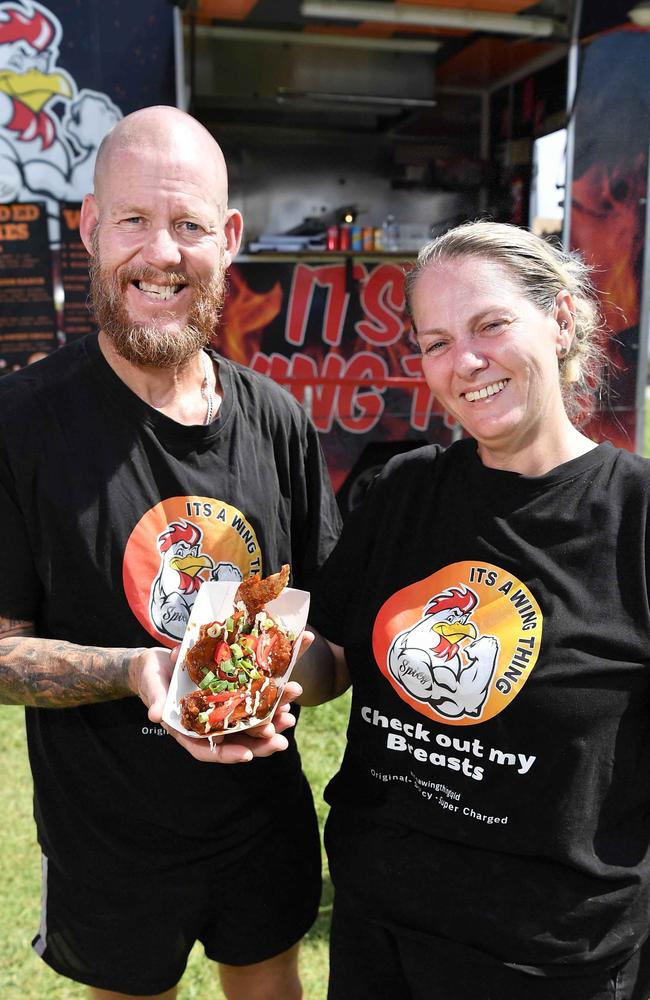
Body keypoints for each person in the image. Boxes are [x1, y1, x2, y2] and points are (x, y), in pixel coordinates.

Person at [0, 105, 341, 1000]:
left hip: (261, 823)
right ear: (88, 226)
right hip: (107, 846)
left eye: (189, 225)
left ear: (227, 239)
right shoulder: (21, 426)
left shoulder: (279, 421)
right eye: (134, 221)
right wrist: (141, 672)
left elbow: (335, 640)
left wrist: (278, 676)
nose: (162, 252)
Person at [297, 220, 650, 1000]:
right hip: (377, 928)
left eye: (491, 324)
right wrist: (261, 661)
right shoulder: (402, 491)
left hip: (547, 959)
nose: (465, 362)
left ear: (559, 320)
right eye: (435, 342)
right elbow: (333, 660)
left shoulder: (636, 516)